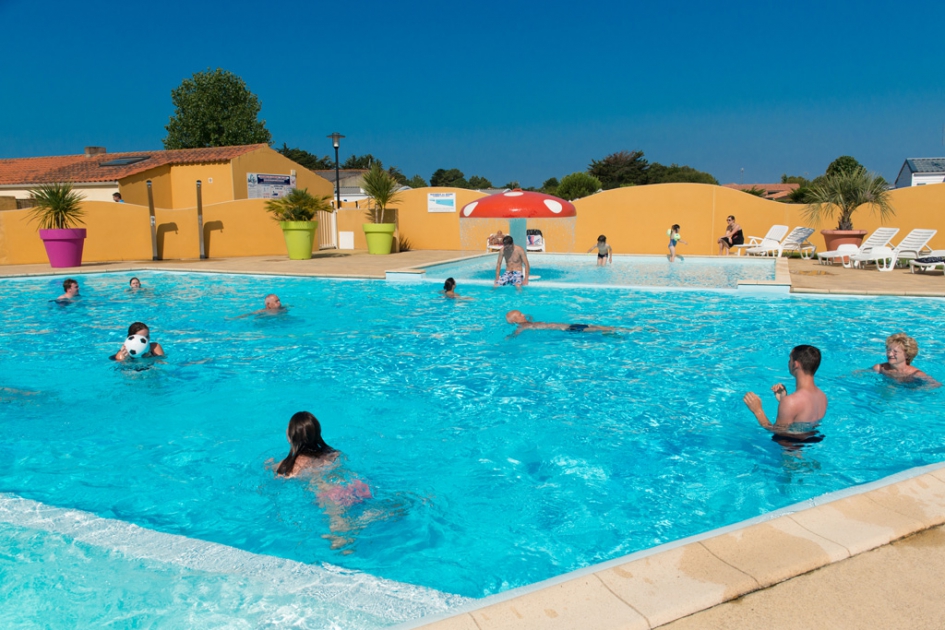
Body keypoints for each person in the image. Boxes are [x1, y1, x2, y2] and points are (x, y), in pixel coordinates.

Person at [743, 345, 828, 440]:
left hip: (789, 451)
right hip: (810, 444)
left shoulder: (791, 402)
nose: (788, 363)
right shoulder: (822, 397)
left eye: (789, 360)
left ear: (795, 364)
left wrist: (758, 410)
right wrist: (783, 399)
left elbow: (778, 433)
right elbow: (803, 426)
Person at [872, 333, 940, 386]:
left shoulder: (915, 374)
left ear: (907, 355)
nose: (890, 354)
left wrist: (917, 391)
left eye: (895, 352)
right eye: (888, 350)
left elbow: (936, 384)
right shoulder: (880, 368)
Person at [505, 309, 631, 336]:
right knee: (596, 329)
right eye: (520, 315)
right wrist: (510, 337)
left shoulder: (527, 321)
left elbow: (529, 316)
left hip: (568, 326)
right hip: (566, 330)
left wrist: (525, 316)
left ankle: (613, 331)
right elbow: (516, 333)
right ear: (516, 320)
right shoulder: (524, 327)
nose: (523, 314)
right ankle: (621, 331)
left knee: (595, 327)